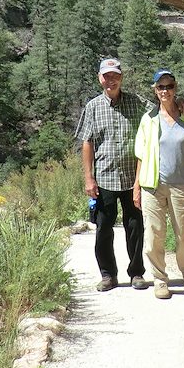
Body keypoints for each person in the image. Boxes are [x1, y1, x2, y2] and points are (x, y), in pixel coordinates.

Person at [75, 58, 153, 292]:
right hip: (105, 178)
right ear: (100, 78)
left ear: (121, 77)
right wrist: (89, 178)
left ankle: (137, 273)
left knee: (135, 226)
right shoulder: (93, 107)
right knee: (103, 228)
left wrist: (180, 104)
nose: (111, 80)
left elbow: (160, 109)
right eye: (107, 76)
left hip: (133, 178)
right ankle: (108, 275)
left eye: (115, 75)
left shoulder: (136, 102)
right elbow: (87, 143)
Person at [133, 69, 184, 299]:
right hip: (152, 185)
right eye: (161, 87)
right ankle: (160, 280)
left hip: (181, 183)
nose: (165, 91)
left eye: (169, 86)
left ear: (175, 88)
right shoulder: (149, 119)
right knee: (154, 233)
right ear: (155, 90)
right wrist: (137, 186)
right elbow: (141, 155)